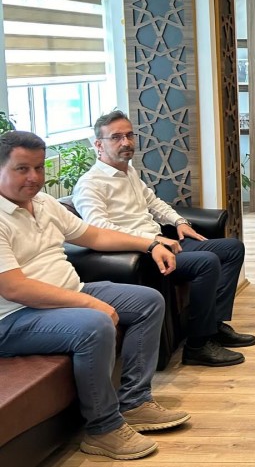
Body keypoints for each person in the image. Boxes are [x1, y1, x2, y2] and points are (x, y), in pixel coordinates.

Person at [0, 131, 190, 460]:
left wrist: (150, 244)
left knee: (147, 302)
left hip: (66, 292)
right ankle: (102, 429)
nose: (34, 178)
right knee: (95, 324)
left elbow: (94, 236)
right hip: (14, 317)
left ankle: (135, 403)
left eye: (39, 168)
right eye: (22, 169)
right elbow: (15, 287)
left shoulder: (44, 203)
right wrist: (90, 303)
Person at [72, 110, 255, 368]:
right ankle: (197, 346)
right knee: (207, 262)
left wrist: (180, 222)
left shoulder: (128, 172)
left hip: (159, 242)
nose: (126, 142)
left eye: (129, 135)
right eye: (116, 137)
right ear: (99, 145)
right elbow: (99, 229)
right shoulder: (90, 184)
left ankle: (213, 325)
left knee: (232, 248)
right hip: (140, 254)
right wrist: (151, 241)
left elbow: (154, 203)